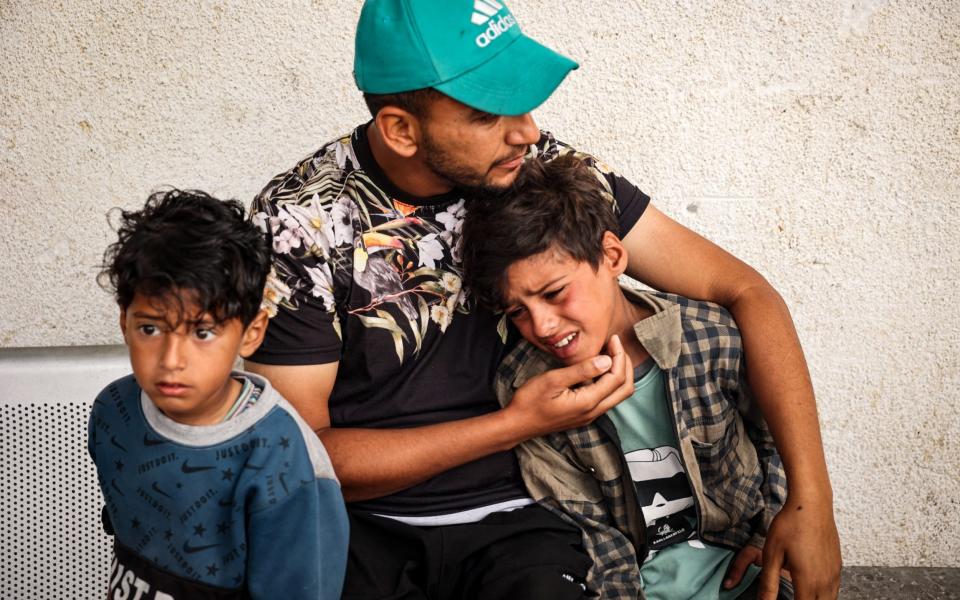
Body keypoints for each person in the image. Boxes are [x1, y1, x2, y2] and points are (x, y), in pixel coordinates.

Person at [247, 1, 840, 598]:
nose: (526, 131)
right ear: (402, 129)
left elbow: (746, 291)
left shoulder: (541, 171)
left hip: (534, 524)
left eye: (522, 102)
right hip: (366, 526)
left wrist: (810, 503)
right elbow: (303, 455)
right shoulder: (302, 220)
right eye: (486, 114)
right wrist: (512, 424)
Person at [461, 153, 797, 599]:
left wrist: (769, 538)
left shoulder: (710, 338)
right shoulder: (526, 387)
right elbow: (585, 527)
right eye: (518, 311)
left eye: (555, 293)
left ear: (613, 256)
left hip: (741, 568)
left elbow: (774, 443)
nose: (541, 326)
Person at [89, 189, 349, 599]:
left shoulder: (280, 460)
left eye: (203, 332)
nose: (172, 360)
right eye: (150, 329)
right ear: (125, 322)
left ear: (251, 334)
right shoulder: (112, 410)